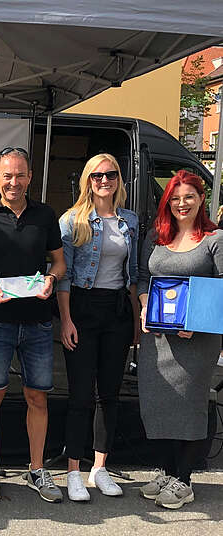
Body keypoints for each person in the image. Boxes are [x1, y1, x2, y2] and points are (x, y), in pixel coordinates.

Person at [0, 147, 66, 503]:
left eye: (20, 175)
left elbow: (59, 263)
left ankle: (37, 469)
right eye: (7, 175)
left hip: (38, 323)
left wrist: (51, 280)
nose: (13, 182)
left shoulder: (46, 215)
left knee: (37, 396)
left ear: (30, 177)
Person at [137, 170, 222, 509]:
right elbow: (143, 278)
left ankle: (185, 479)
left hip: (196, 341)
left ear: (201, 199)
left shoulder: (215, 240)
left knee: (190, 405)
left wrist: (199, 321)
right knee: (159, 403)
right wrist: (144, 309)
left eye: (188, 196)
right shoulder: (156, 237)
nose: (181, 203)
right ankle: (168, 471)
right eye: (175, 198)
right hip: (158, 339)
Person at [57, 154, 140, 501]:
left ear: (119, 179)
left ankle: (99, 468)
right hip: (82, 308)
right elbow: (65, 277)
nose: (104, 180)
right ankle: (74, 470)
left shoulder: (130, 221)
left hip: (117, 311)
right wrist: (66, 320)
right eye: (97, 175)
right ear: (87, 180)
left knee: (110, 393)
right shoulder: (72, 221)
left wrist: (136, 320)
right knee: (80, 395)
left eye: (111, 175)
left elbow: (133, 275)